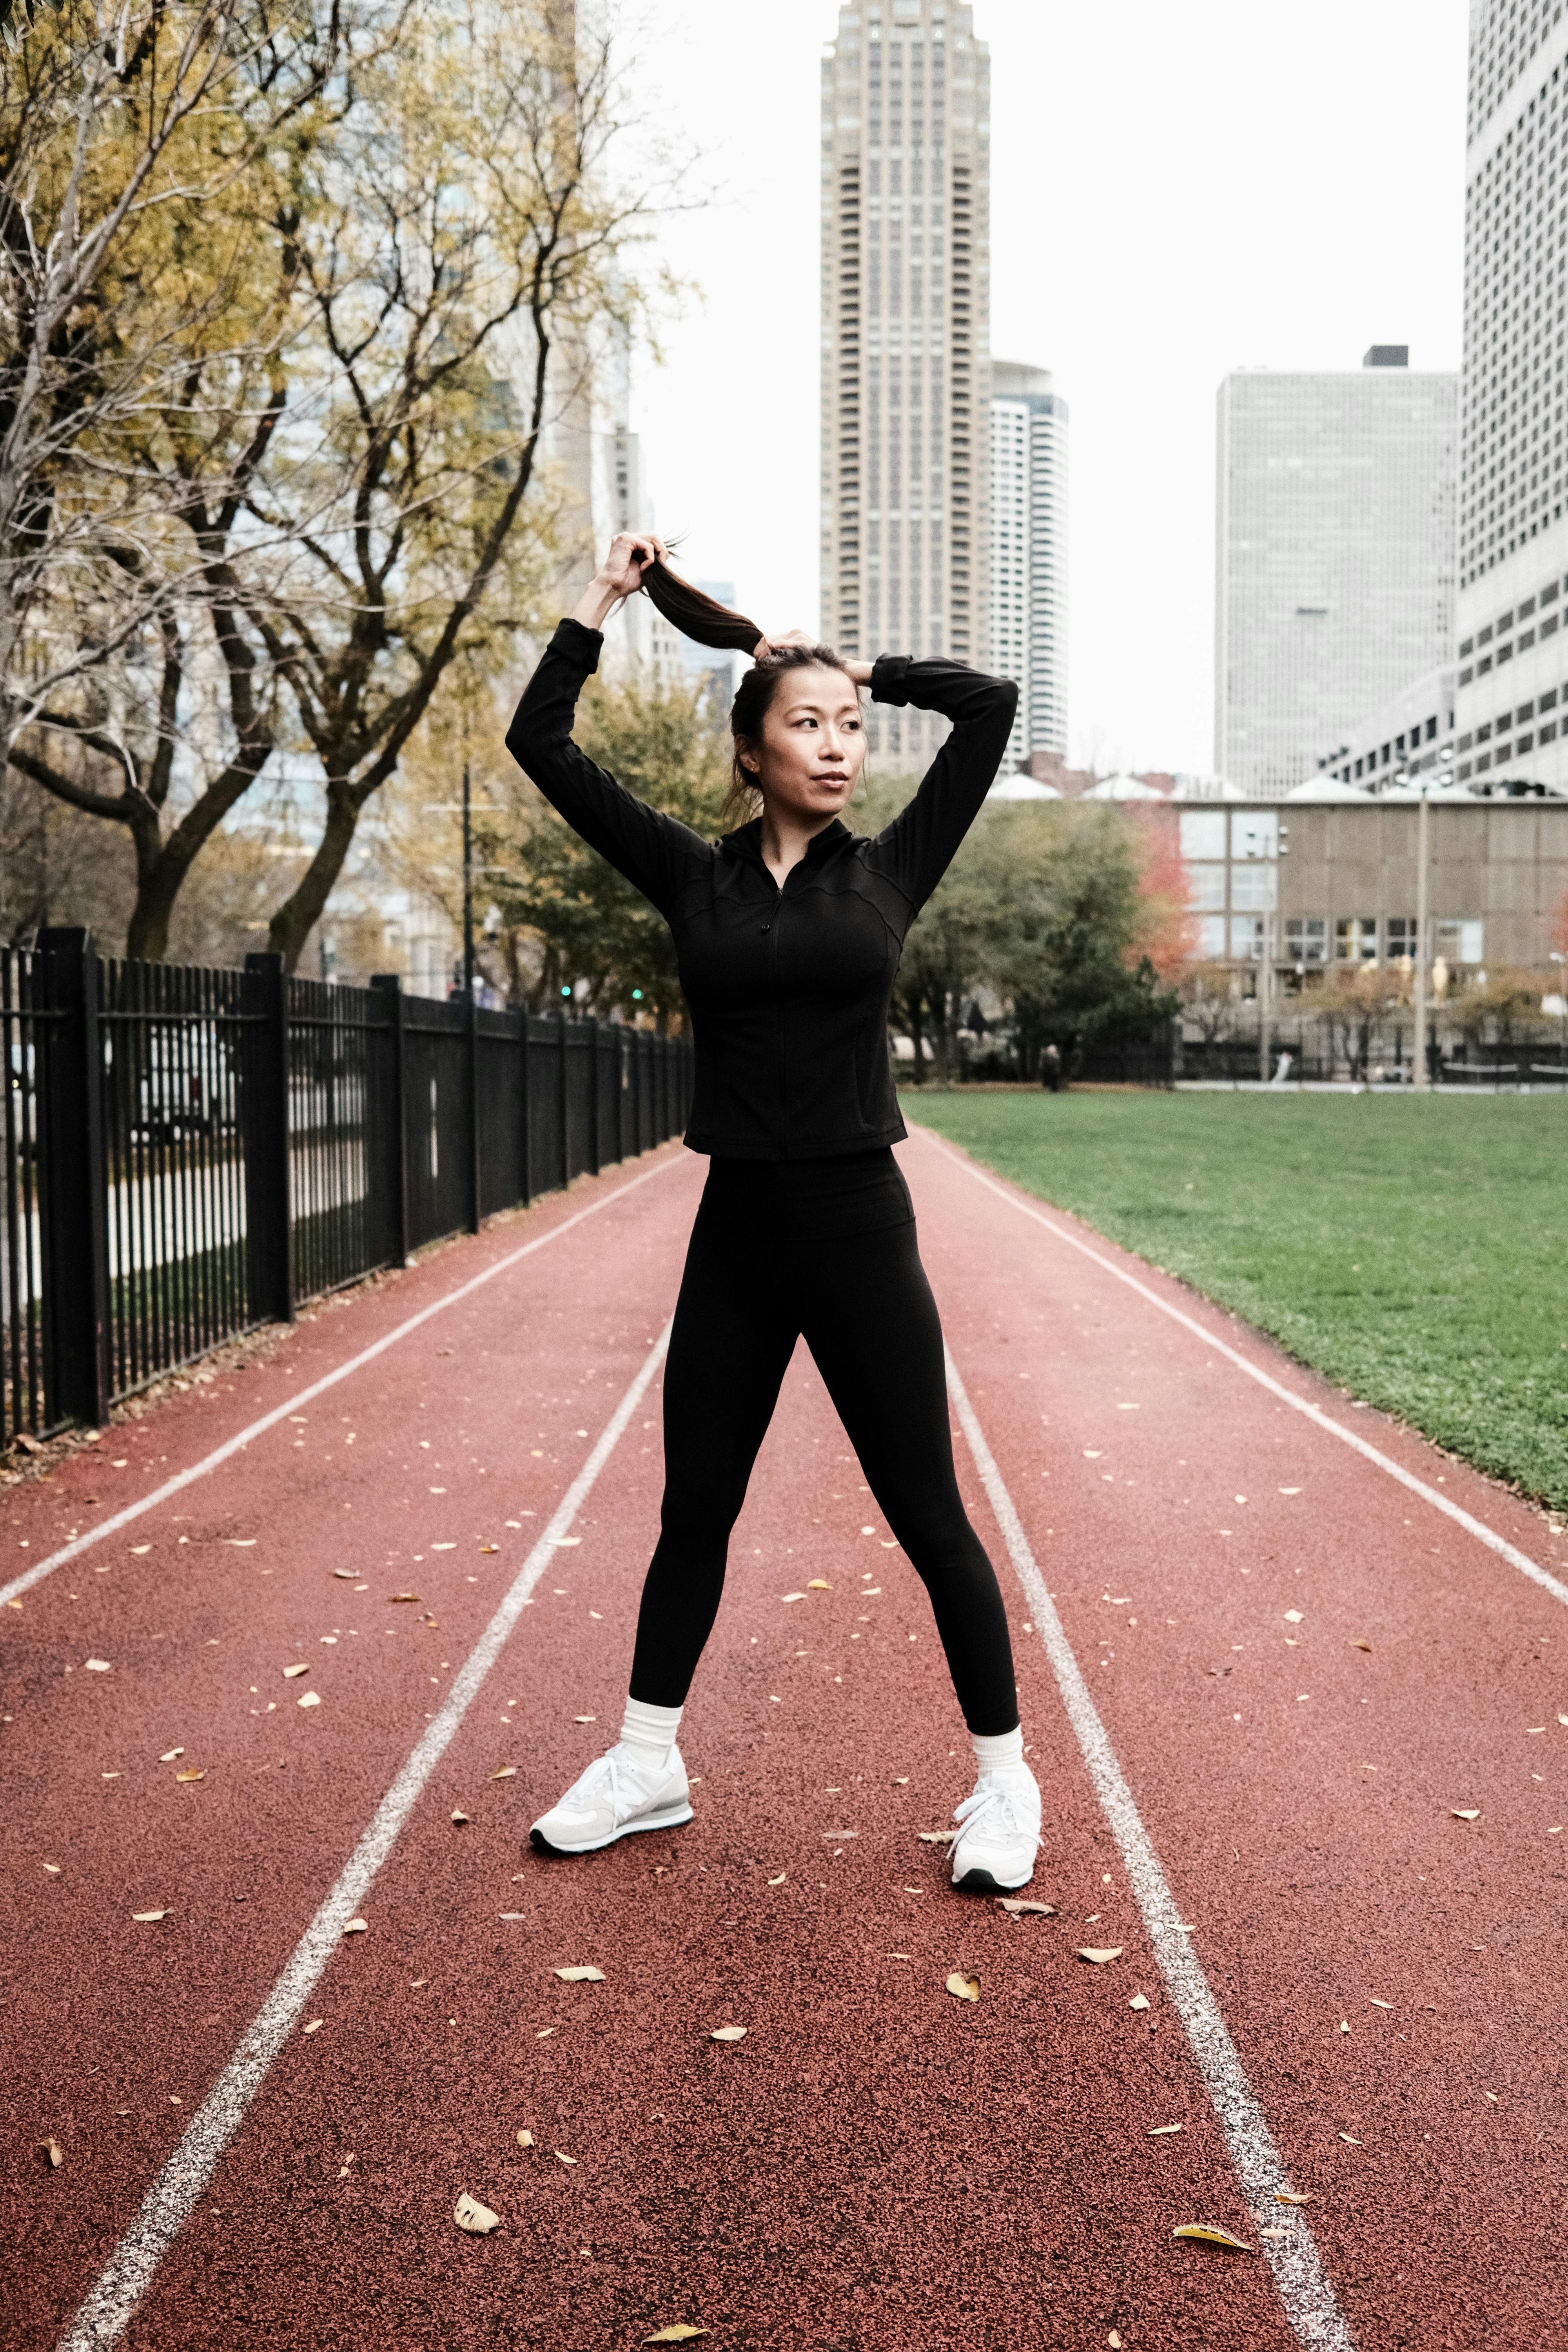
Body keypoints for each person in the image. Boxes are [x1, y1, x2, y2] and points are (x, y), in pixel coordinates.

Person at [506, 532, 1040, 1895]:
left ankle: (1004, 1783)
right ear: (751, 750)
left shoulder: (893, 869)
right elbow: (541, 740)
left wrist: (857, 664)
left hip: (863, 1229)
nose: (841, 744)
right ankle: (648, 1761)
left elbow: (991, 706)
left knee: (930, 1514)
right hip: (737, 1236)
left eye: (851, 727)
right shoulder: (693, 877)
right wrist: (604, 601)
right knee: (698, 1510)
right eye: (809, 725)